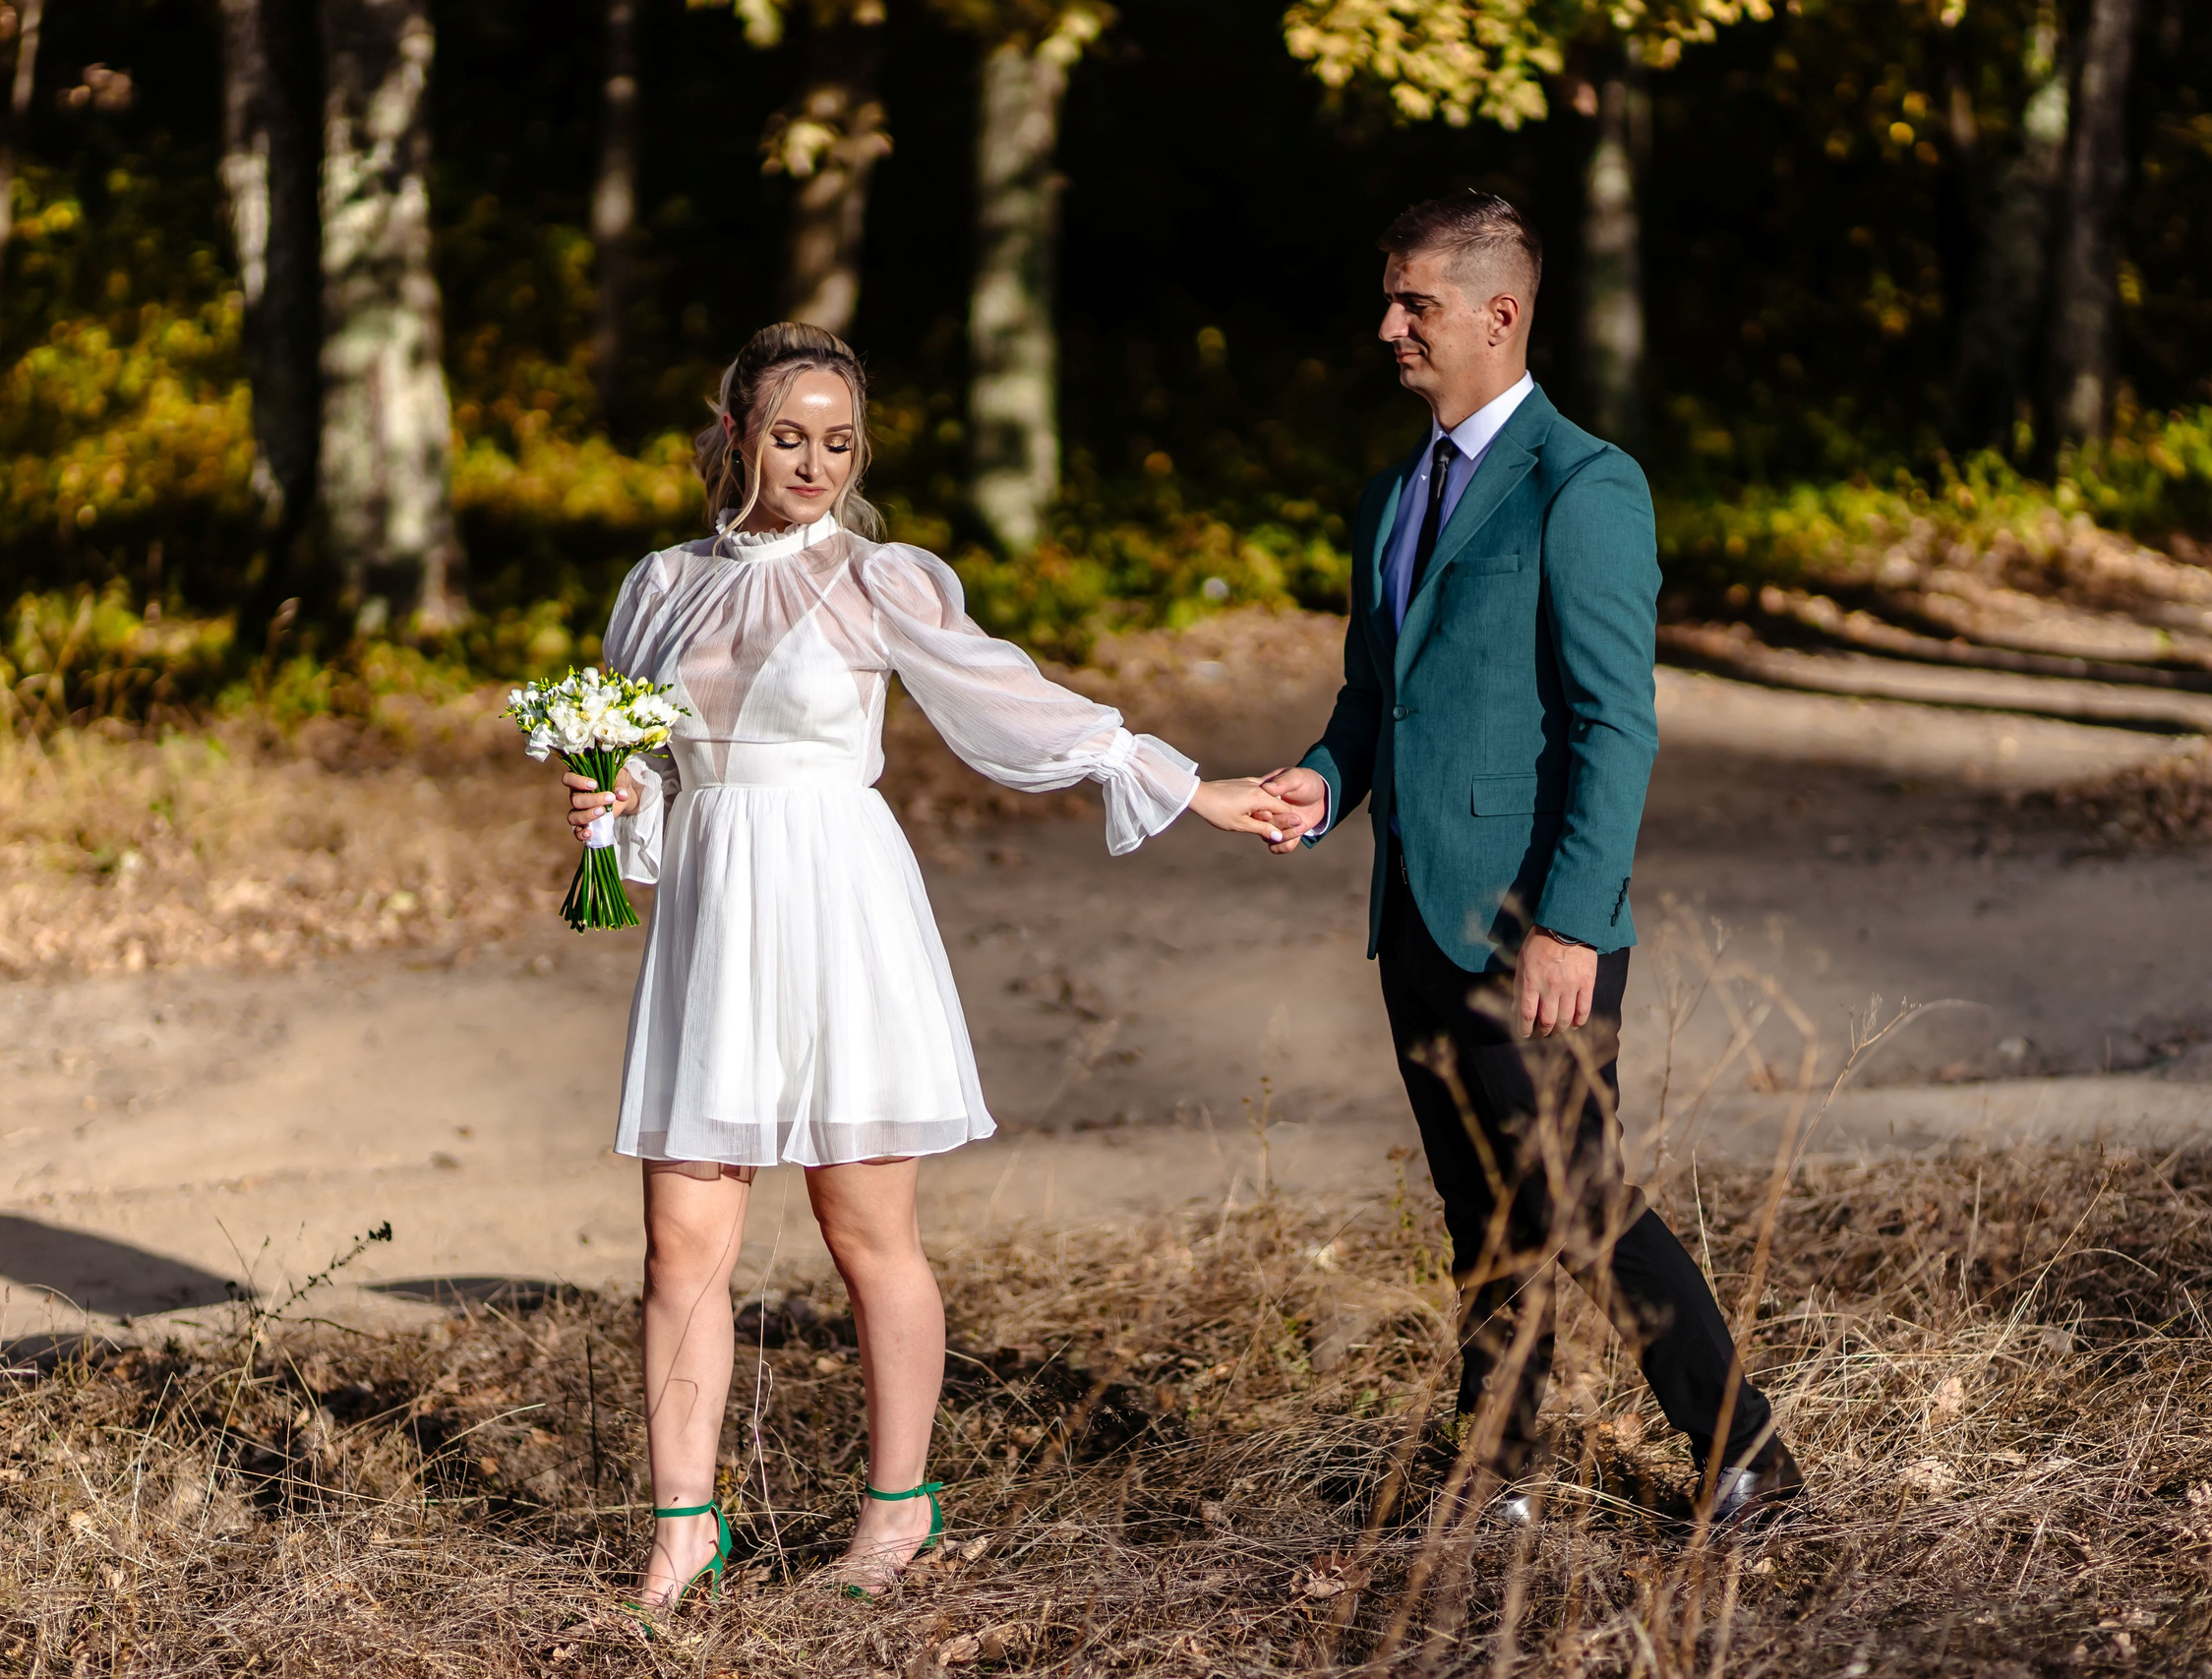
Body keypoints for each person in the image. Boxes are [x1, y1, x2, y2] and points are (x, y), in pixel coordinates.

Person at [559, 322, 1292, 1610]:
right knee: (679, 1244)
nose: (815, 465)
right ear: (735, 435)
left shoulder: (877, 578)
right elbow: (649, 770)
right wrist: (614, 806)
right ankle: (683, 1531)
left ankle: (897, 1510)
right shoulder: (660, 587)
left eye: (839, 442)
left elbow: (1010, 697)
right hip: (716, 920)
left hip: (838, 908)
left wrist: (1182, 783)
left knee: (865, 1230)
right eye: (789, 437)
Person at [1253, 193, 1802, 1528]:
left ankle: (1746, 1458)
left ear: (1500, 314)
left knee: (1573, 1196)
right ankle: (1497, 1471)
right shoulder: (1391, 494)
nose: (1388, 325)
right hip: (1412, 910)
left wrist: (1570, 921)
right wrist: (1321, 783)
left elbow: (1617, 725)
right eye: (1390, 299)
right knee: (1481, 1211)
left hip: (1532, 924)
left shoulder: (1585, 483)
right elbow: (1374, 701)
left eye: (1415, 303)